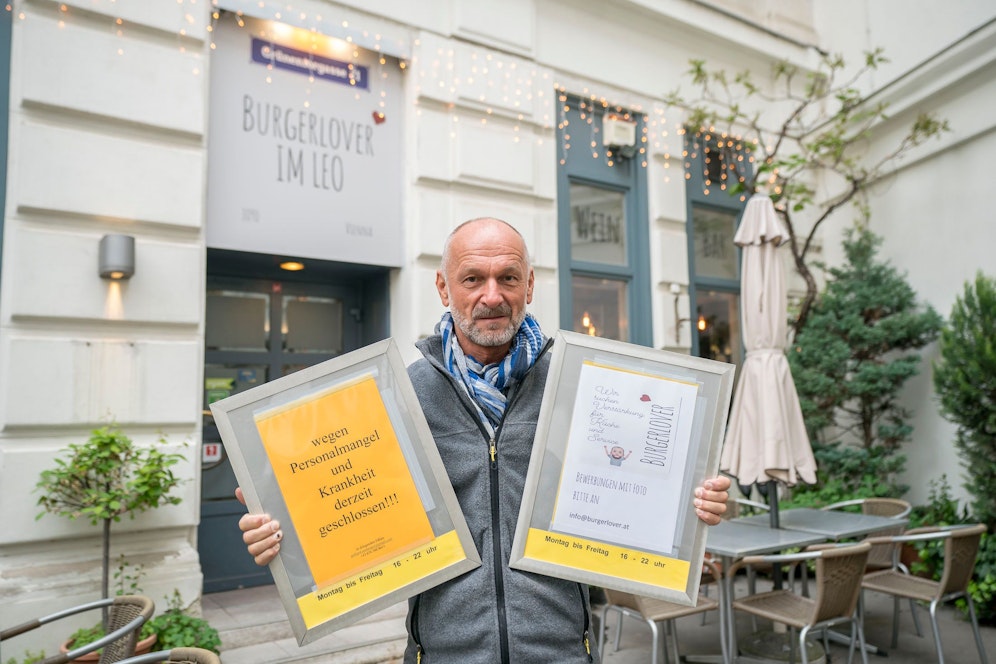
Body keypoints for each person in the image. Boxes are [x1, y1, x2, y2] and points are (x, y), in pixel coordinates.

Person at [238, 217, 731, 663]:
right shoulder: (398, 396)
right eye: (472, 278)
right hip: (445, 654)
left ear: (529, 285)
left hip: (560, 652)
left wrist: (693, 501)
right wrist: (282, 530)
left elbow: (640, 484)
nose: (491, 296)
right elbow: (348, 502)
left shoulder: (582, 389)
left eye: (508, 278)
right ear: (443, 287)